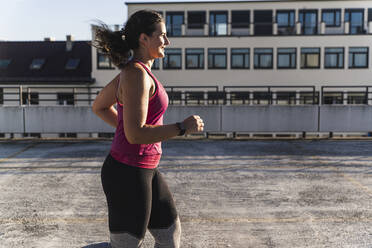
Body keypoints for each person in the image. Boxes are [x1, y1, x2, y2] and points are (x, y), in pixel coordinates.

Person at [92, 10, 204, 248]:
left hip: (147, 169)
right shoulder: (135, 75)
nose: (167, 41)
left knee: (169, 236)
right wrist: (181, 127)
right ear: (144, 38)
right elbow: (135, 134)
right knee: (126, 245)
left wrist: (126, 128)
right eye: (162, 35)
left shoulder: (137, 71)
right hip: (126, 173)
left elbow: (100, 107)